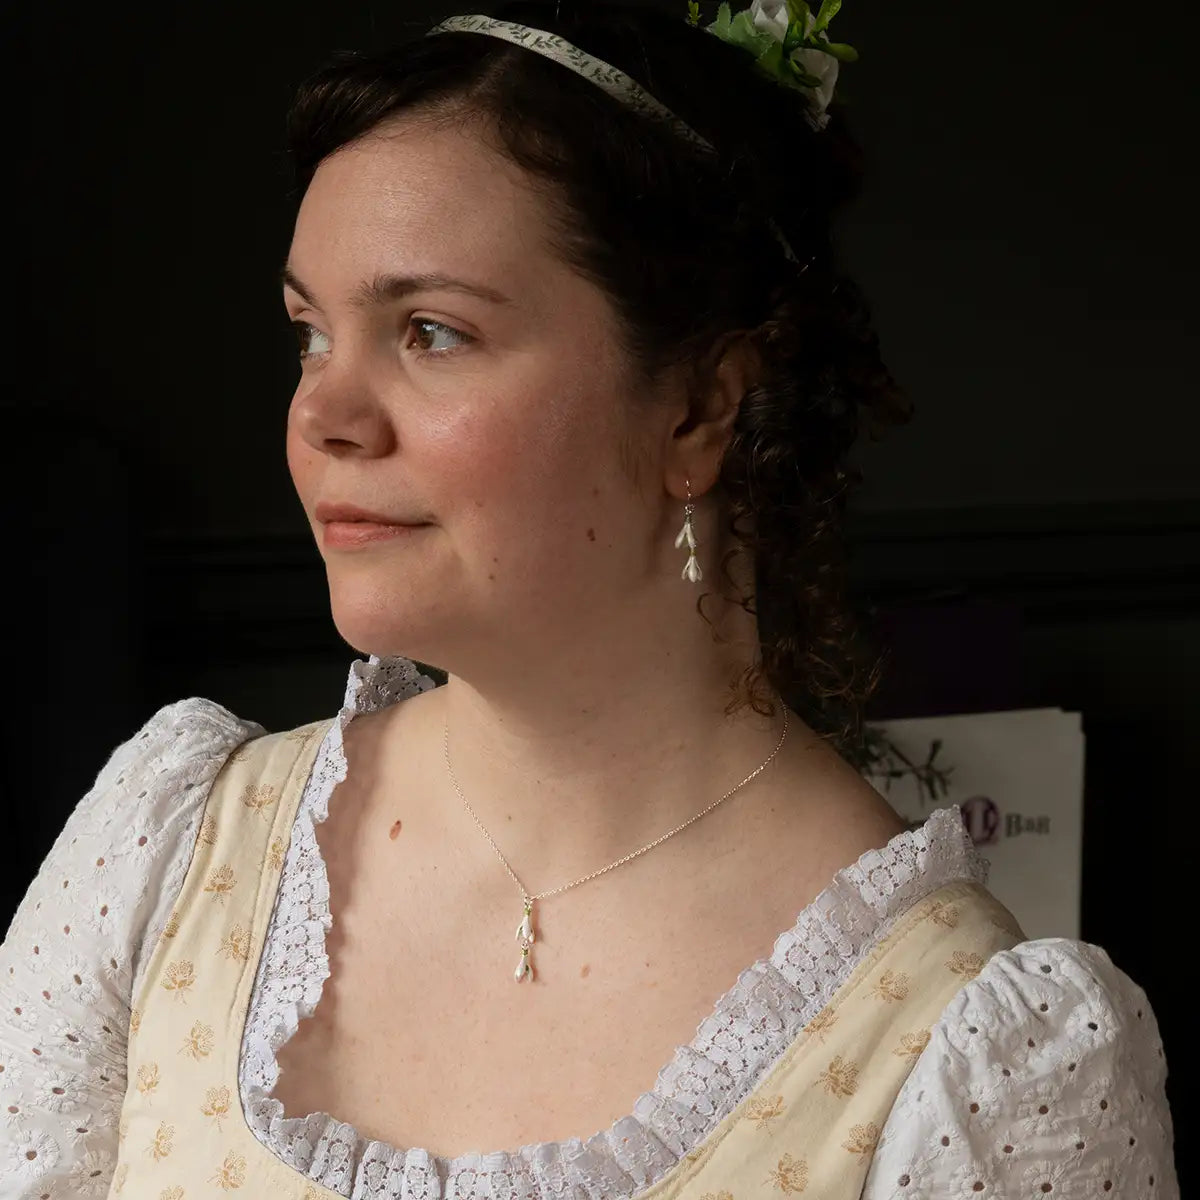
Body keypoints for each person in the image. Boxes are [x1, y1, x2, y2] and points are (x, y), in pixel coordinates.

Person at [0, 2, 1178, 1196]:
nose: (324, 416)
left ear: (698, 410)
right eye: (311, 335)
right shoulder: (167, 859)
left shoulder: (974, 1064)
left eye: (430, 332)